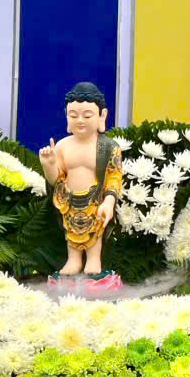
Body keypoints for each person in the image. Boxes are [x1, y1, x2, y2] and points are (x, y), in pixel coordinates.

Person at [38, 82, 123, 276]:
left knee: (96, 232)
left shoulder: (109, 147)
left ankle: (94, 259)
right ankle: (73, 260)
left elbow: (114, 177)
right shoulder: (62, 146)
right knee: (71, 233)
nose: (80, 121)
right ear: (66, 116)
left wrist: (109, 202)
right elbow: (56, 180)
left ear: (102, 116)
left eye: (87, 115)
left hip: (96, 201)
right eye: (73, 115)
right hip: (69, 202)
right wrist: (49, 165)